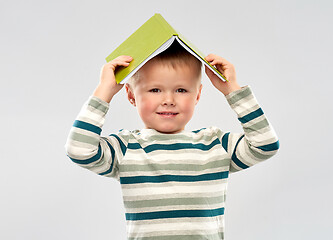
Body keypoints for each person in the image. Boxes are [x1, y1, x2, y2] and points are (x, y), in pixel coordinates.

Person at [65, 42, 280, 240]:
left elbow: (265, 145)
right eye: (155, 90)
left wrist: (232, 88)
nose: (168, 100)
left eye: (181, 90)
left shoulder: (216, 145)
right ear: (131, 95)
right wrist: (104, 91)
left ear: (197, 95)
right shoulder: (126, 148)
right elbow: (79, 150)